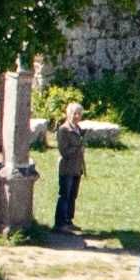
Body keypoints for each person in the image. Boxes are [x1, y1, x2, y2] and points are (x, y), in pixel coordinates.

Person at [46, 86, 91, 235]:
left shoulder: (78, 128)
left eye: (79, 113)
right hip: (67, 167)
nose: (76, 116)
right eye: (74, 113)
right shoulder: (64, 130)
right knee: (64, 195)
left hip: (76, 167)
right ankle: (59, 224)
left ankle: (68, 221)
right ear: (68, 114)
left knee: (73, 195)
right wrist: (78, 147)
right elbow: (64, 151)